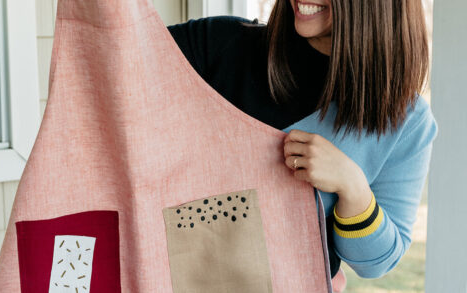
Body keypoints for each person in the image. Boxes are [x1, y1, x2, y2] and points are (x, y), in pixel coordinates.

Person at [166, 0, 437, 289]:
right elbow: (121, 62)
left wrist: (352, 187)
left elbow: (376, 263)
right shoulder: (216, 45)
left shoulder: (405, 119)